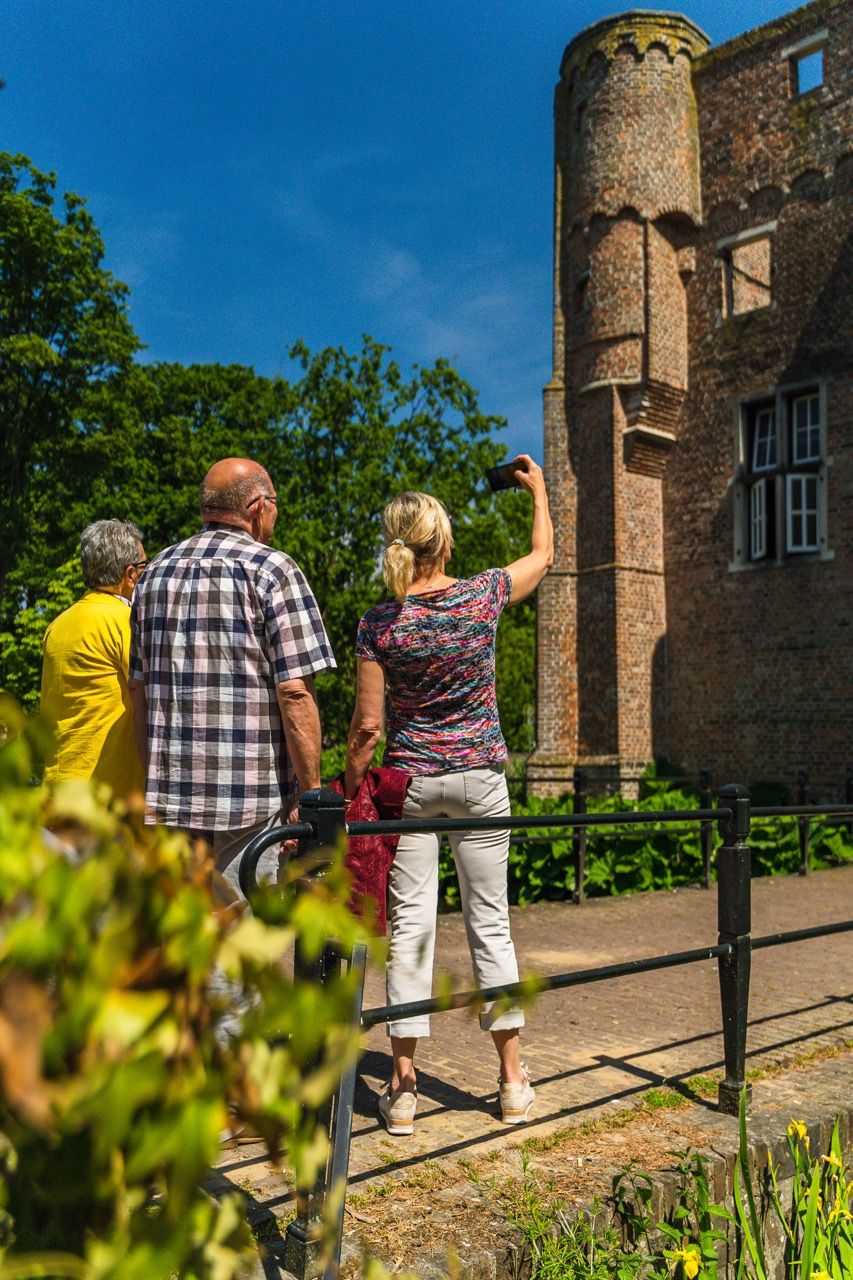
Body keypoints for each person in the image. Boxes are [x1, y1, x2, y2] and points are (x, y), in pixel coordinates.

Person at [344, 455, 553, 1135]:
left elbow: (368, 727)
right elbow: (544, 556)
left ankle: (401, 1091)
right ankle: (513, 1082)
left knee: (411, 932)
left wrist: (351, 787)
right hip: (480, 778)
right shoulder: (481, 596)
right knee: (490, 922)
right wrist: (538, 490)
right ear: (445, 540)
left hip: (411, 783)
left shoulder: (379, 623)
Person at [128, 457, 335, 896]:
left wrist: (154, 783)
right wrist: (310, 793)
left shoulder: (151, 576)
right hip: (248, 799)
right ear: (258, 506)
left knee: (187, 940)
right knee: (239, 940)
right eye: (275, 503)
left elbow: (138, 690)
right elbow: (295, 691)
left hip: (171, 798)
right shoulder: (272, 570)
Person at [41, 519, 148, 801]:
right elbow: (154, 695)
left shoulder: (58, 625)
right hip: (104, 794)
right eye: (144, 566)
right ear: (130, 575)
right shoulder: (126, 621)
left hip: (55, 789)